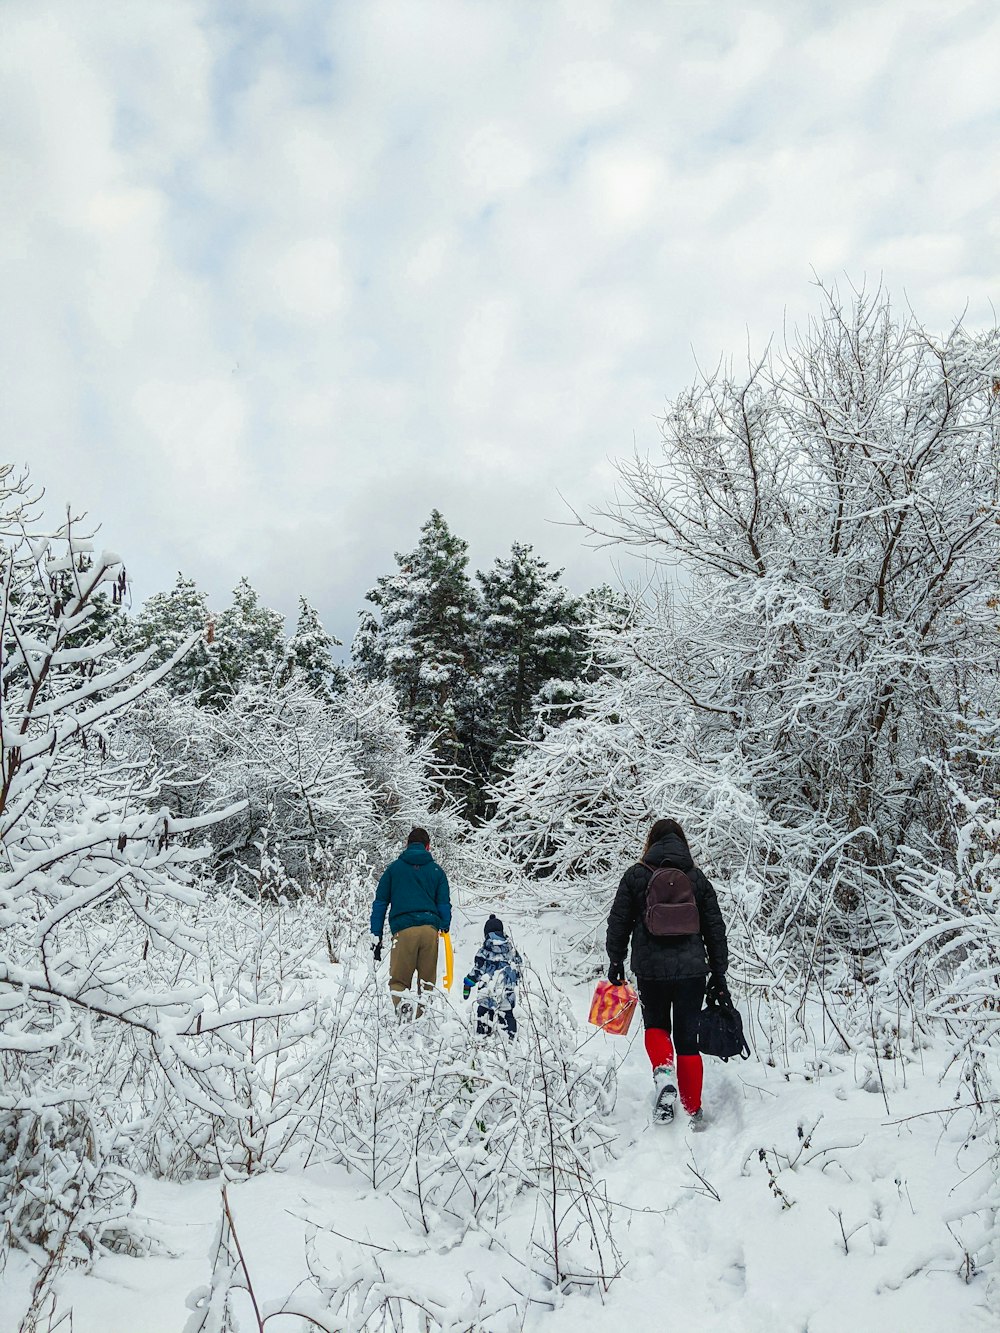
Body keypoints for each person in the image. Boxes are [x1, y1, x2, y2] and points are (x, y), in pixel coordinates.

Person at [606, 818, 729, 1128]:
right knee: (688, 1039)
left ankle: (663, 1078)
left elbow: (618, 922)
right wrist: (718, 972)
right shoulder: (697, 879)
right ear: (682, 843)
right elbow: (715, 929)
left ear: (651, 843)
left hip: (650, 970)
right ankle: (693, 1110)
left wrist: (616, 961)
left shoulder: (636, 876)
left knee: (656, 1026)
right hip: (692, 972)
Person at [370, 826, 451, 1012]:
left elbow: (380, 904)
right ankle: (421, 1023)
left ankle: (403, 1010)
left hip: (403, 931)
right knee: (427, 984)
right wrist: (444, 926)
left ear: (407, 845)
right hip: (430, 932)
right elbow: (444, 904)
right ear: (428, 847)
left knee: (399, 981)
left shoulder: (393, 870)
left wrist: (376, 936)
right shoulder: (437, 872)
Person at [463, 915, 522, 1038]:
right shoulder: (511, 949)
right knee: (507, 1014)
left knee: (483, 1012)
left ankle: (483, 1036)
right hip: (507, 991)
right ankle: (510, 1039)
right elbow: (518, 965)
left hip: (487, 990)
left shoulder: (484, 950)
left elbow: (478, 970)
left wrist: (468, 983)